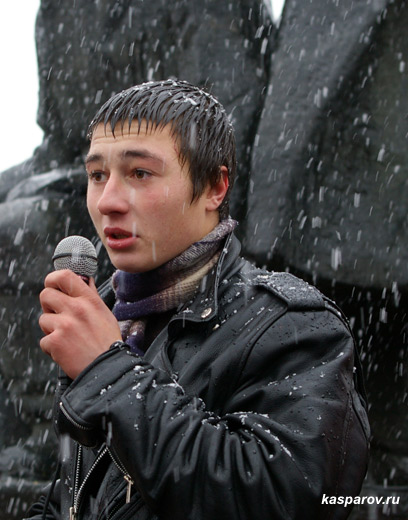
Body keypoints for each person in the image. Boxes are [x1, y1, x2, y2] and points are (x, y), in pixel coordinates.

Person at [28, 80, 370, 520]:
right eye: (97, 176)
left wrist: (107, 372)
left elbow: (280, 500)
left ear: (214, 187)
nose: (108, 201)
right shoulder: (105, 314)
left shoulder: (292, 324)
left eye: (140, 173)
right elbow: (73, 498)